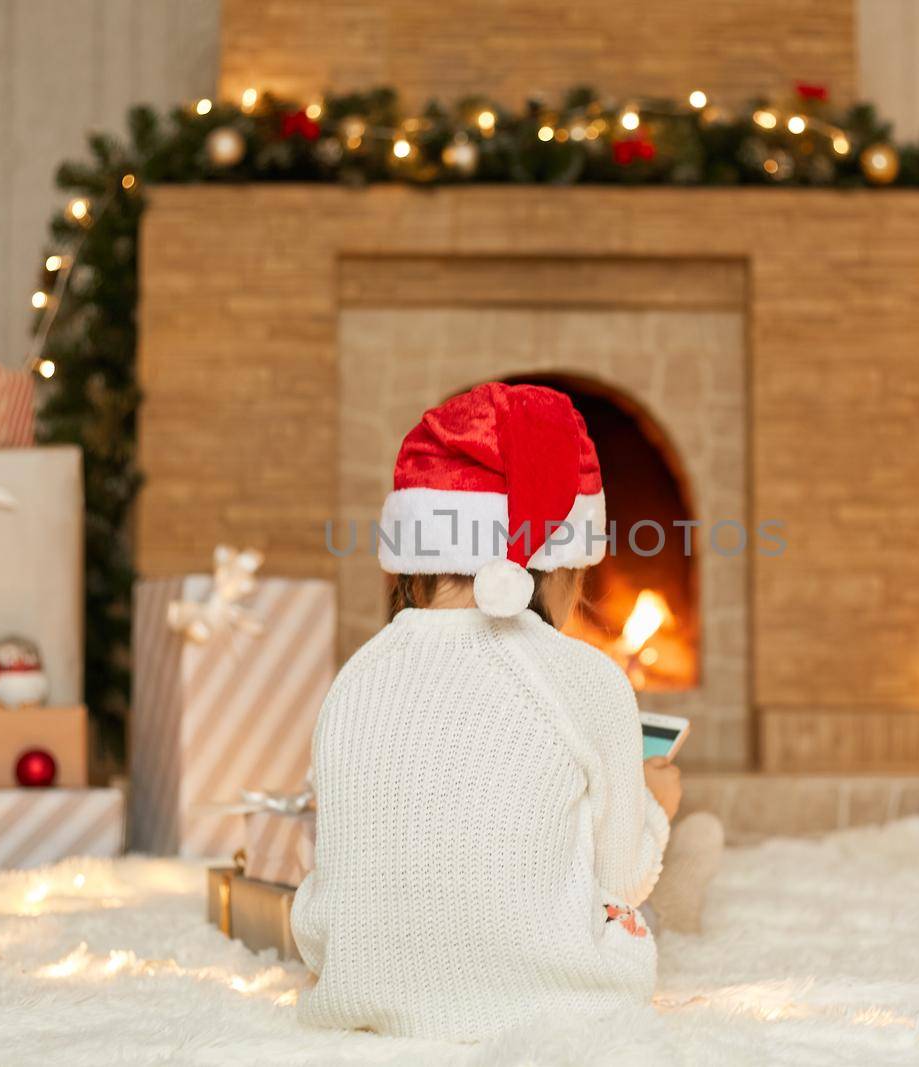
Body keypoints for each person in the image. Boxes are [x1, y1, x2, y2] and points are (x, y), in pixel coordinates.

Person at [291, 381, 723, 1041]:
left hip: (367, 991)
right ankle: (680, 884)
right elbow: (621, 880)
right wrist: (657, 804)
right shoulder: (588, 679)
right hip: (552, 1003)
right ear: (562, 563)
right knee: (625, 893)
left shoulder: (355, 679)